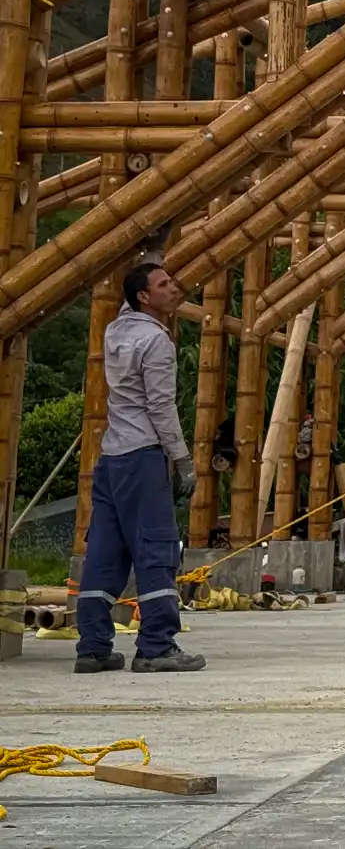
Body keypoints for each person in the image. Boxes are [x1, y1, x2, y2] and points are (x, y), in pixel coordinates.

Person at [76, 263, 207, 675]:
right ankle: (155, 646)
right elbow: (160, 407)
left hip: (111, 459)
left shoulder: (116, 331)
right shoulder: (156, 341)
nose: (175, 288)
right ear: (144, 298)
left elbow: (126, 299)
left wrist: (152, 248)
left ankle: (93, 648)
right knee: (155, 549)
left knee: (103, 552)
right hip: (142, 455)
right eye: (164, 284)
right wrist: (182, 459)